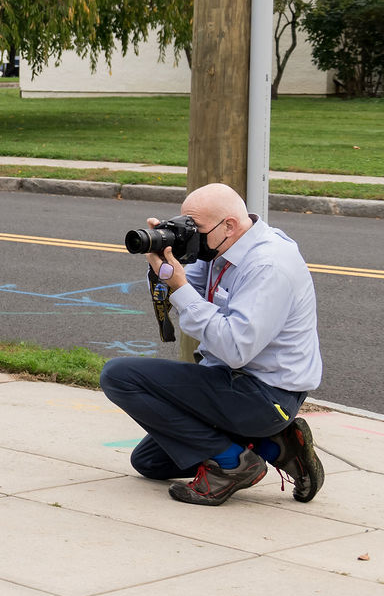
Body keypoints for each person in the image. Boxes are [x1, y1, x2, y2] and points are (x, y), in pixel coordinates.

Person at [99, 182, 324, 506]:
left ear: (229, 225)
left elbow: (234, 349)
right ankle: (276, 446)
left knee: (119, 375)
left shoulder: (269, 265)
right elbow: (193, 293)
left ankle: (234, 464)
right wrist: (169, 257)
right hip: (230, 381)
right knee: (149, 463)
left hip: (264, 394)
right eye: (185, 225)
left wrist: (178, 286)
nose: (192, 235)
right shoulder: (220, 247)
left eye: (196, 228)